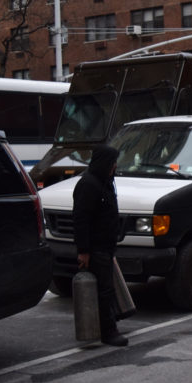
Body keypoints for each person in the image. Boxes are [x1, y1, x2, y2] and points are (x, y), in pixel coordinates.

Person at [73, 144, 129, 346]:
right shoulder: (89, 184)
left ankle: (109, 323)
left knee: (107, 288)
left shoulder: (105, 181)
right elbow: (81, 219)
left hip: (105, 245)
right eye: (113, 162)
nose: (115, 166)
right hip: (95, 248)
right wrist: (84, 251)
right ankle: (109, 331)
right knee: (104, 290)